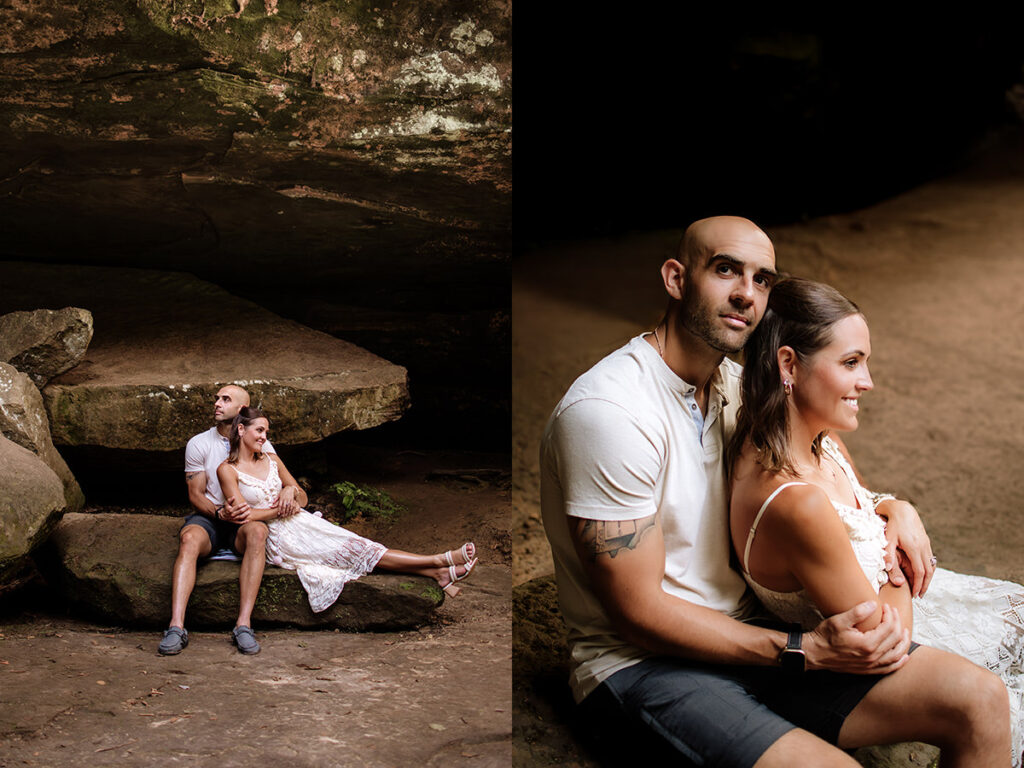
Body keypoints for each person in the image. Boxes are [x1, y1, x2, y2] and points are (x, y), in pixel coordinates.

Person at [540, 215, 1009, 767]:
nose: (746, 294)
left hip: (755, 631)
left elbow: (816, 471)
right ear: (675, 278)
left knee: (981, 700)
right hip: (643, 666)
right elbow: (637, 611)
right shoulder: (610, 413)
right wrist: (801, 651)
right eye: (724, 270)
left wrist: (891, 505)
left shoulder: (740, 388)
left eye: (762, 279)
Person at [729, 276, 1024, 765]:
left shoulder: (814, 438)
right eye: (851, 363)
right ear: (788, 364)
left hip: (905, 606)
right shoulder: (793, 501)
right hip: (876, 656)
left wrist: (897, 509)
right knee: (1000, 704)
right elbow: (889, 639)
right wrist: (898, 562)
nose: (868, 381)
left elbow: (863, 501)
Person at [216, 406, 478, 612]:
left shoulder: (272, 459)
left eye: (266, 433)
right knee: (353, 553)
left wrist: (289, 491)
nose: (264, 437)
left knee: (360, 544)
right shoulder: (227, 470)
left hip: (301, 522)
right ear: (241, 430)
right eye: (259, 431)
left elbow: (303, 498)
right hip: (274, 535)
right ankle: (438, 560)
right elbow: (243, 516)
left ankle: (438, 572)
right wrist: (281, 511)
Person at [159, 384, 274, 656]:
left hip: (245, 520)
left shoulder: (260, 441)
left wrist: (292, 490)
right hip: (211, 516)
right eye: (217, 399)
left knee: (258, 534)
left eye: (225, 399)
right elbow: (195, 495)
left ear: (242, 410)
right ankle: (176, 626)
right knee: (188, 539)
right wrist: (219, 512)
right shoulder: (199, 443)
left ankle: (243, 625)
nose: (217, 404)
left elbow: (277, 478)